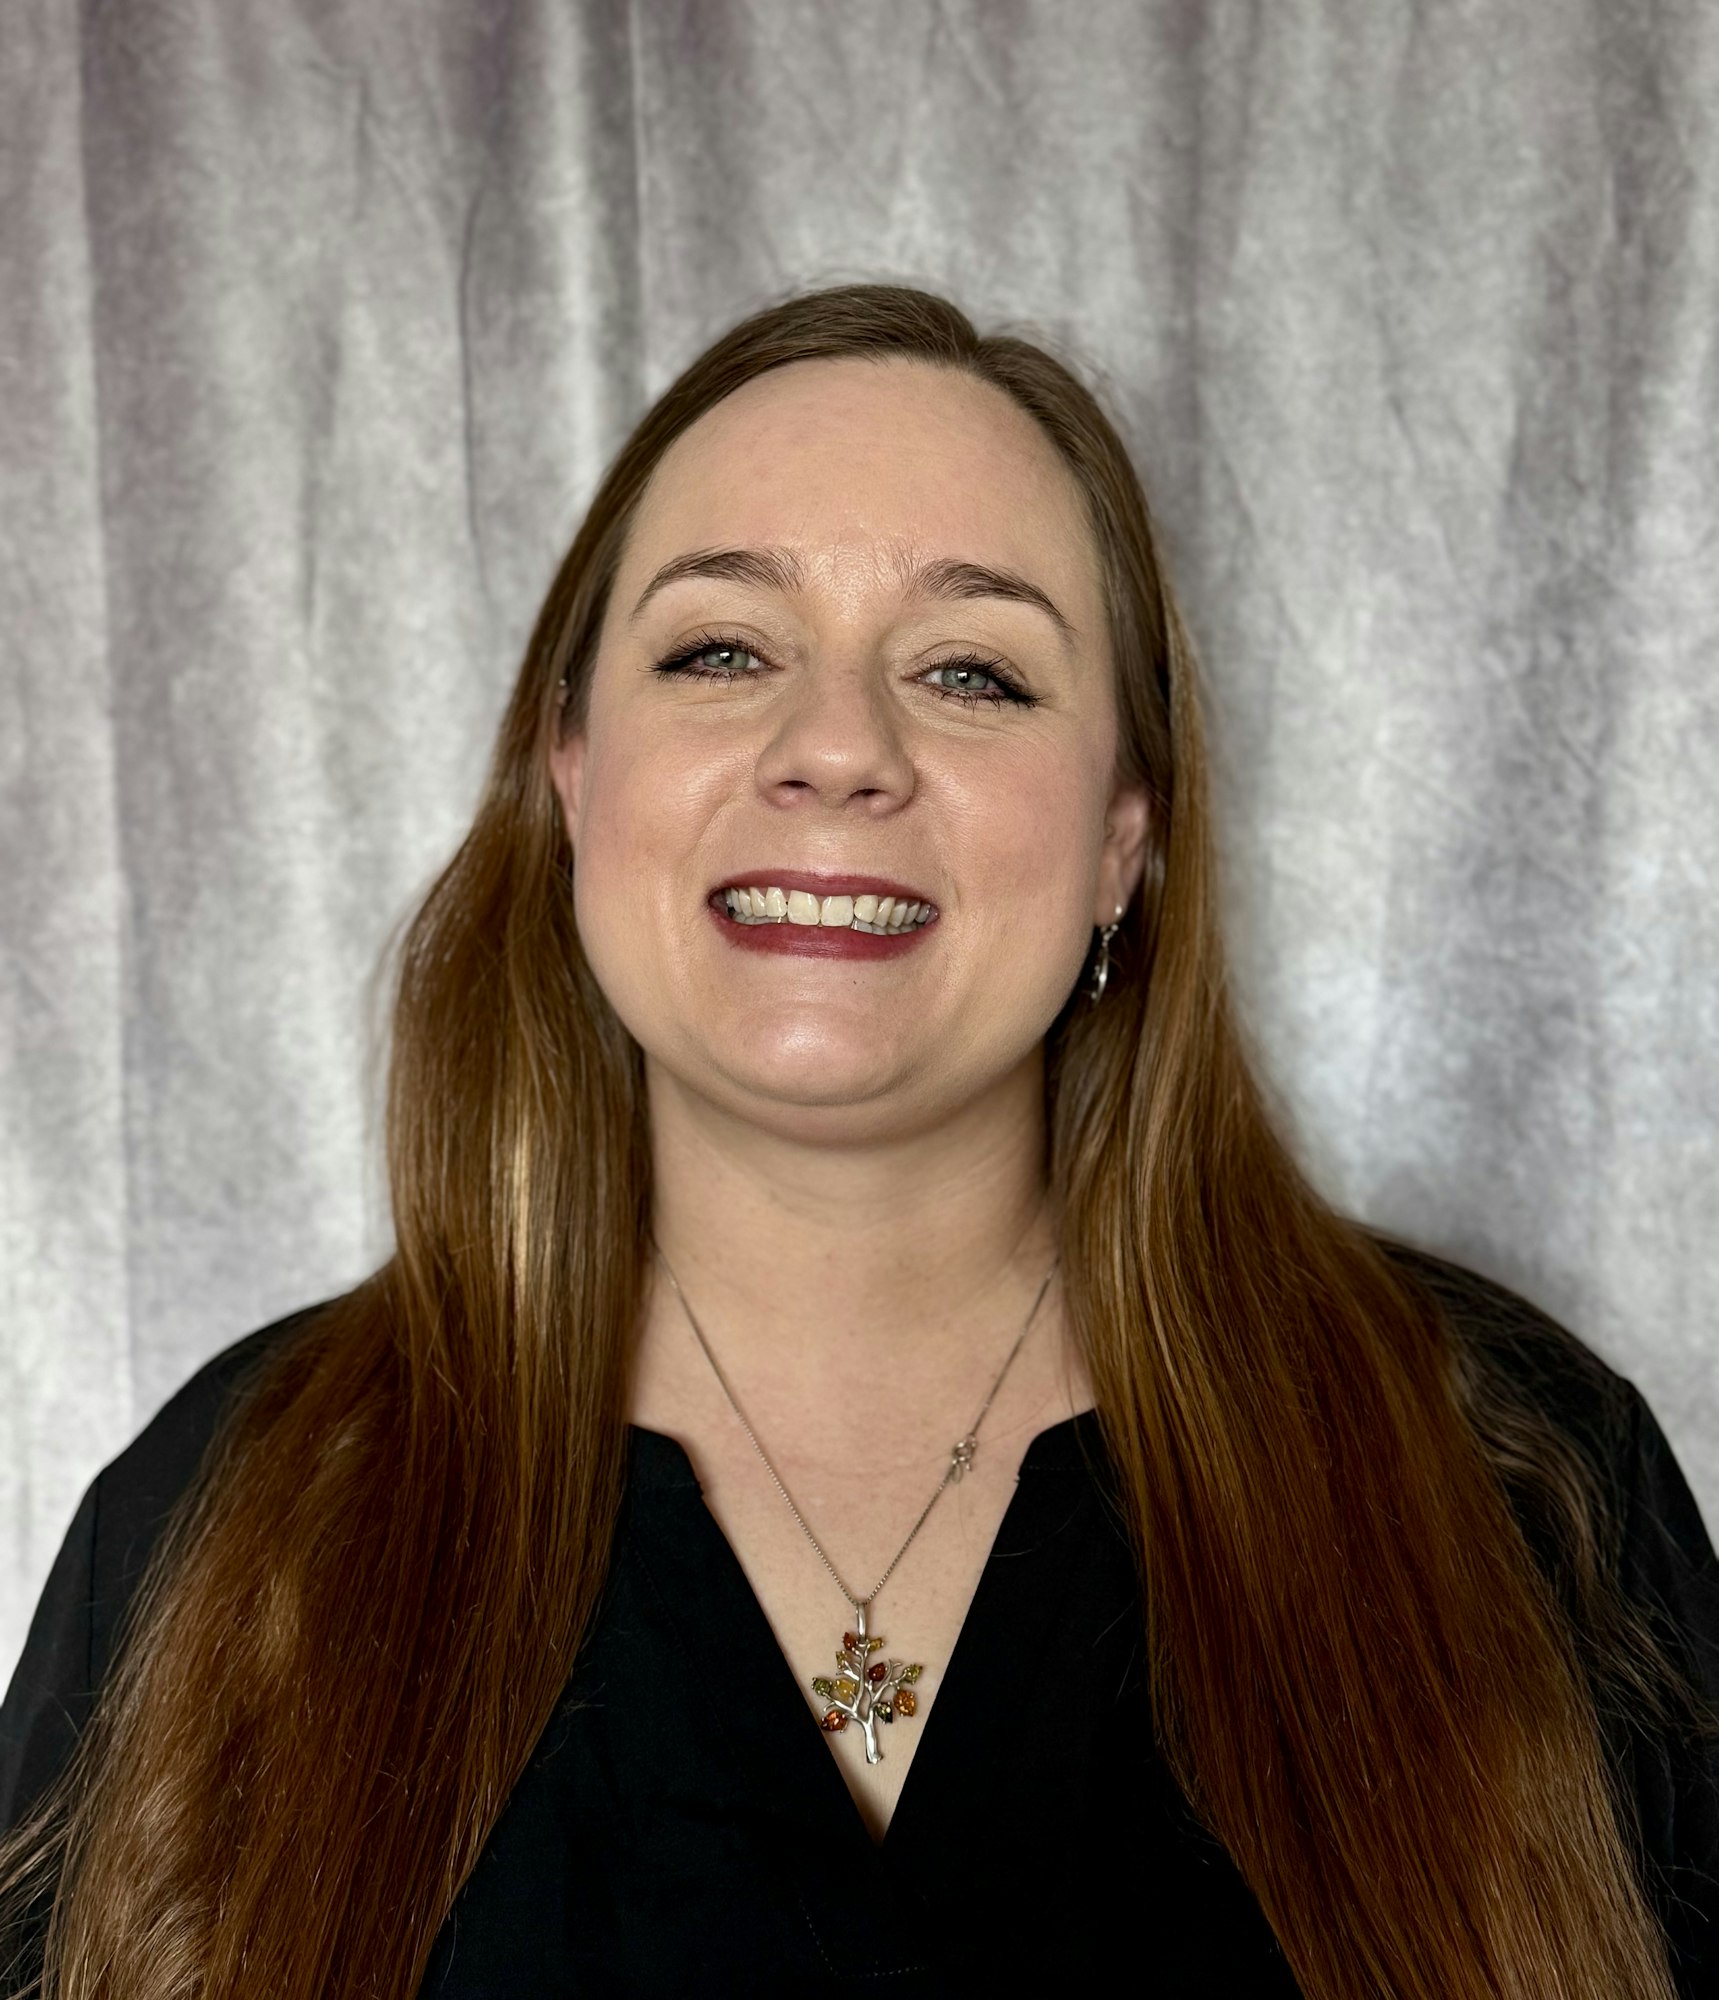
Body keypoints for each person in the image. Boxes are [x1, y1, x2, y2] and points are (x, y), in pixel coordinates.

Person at [1, 283, 1715, 1999]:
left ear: (1128, 837)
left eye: (972, 671)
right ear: (574, 778)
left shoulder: (1523, 1496)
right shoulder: (229, 1521)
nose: (837, 749)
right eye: (721, 650)